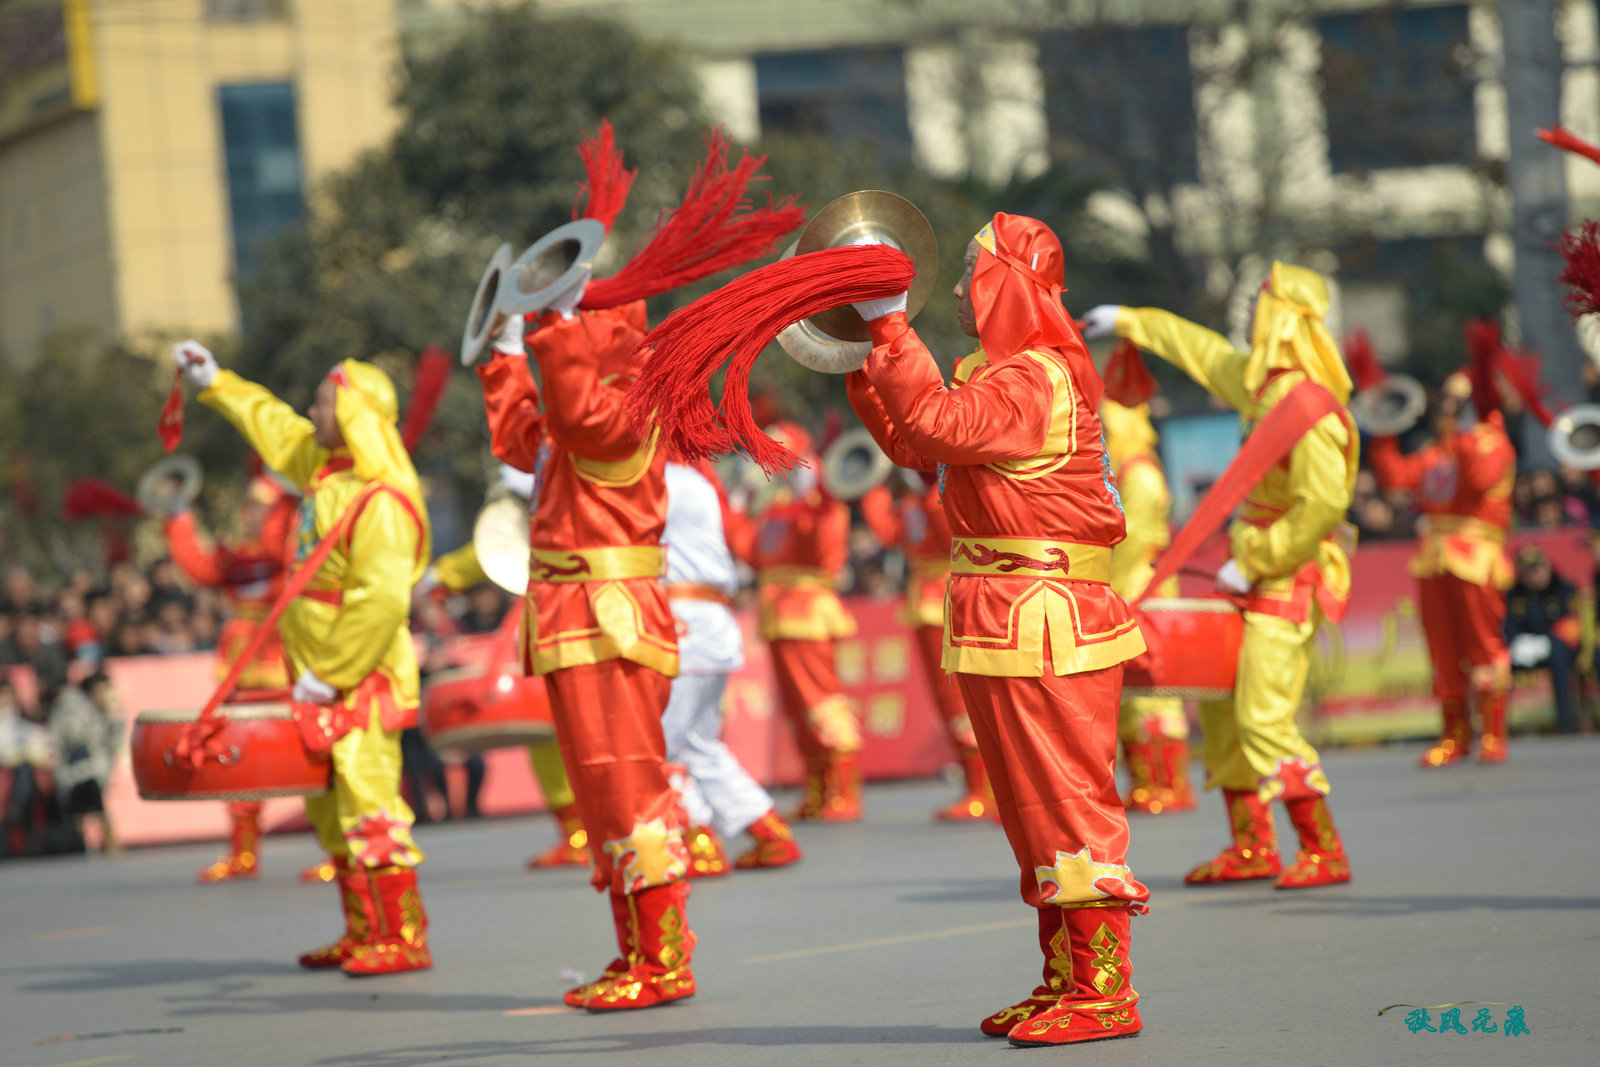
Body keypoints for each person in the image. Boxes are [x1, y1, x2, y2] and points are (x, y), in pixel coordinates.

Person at [847, 215, 1149, 1046]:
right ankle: (1068, 977)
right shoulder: (1001, 374)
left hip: (1046, 617)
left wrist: (889, 327)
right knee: (1027, 805)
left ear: (1007, 282)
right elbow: (920, 444)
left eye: (971, 271)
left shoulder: (1037, 380)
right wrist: (865, 360)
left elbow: (939, 426)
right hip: (1006, 611)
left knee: (1064, 797)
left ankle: (1105, 991)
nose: (957, 288)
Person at [1083, 261, 1356, 892]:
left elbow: (1324, 504)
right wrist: (1130, 321)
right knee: (1229, 710)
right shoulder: (1264, 391)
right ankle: (1252, 845)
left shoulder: (1310, 407)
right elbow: (1201, 351)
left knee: (1263, 715)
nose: (1251, 309)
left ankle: (1323, 848)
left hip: (1288, 577)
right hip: (1254, 573)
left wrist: (1257, 557)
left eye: (1261, 299)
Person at [174, 338, 434, 976]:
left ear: (353, 413)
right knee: (327, 803)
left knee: (369, 798)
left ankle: (402, 936)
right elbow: (274, 425)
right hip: (314, 678)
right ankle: (361, 929)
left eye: (324, 399)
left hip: (358, 680)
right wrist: (216, 382)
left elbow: (378, 603)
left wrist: (330, 675)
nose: (312, 409)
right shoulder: (322, 472)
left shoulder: (382, 500)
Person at [477, 287, 696, 1011]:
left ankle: (664, 959)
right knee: (598, 790)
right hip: (573, 616)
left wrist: (555, 329)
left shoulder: (632, 404)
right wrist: (508, 352)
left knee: (628, 784)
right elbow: (523, 438)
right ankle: (636, 946)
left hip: (611, 619)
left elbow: (572, 412)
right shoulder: (583, 417)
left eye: (576, 319)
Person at [662, 459, 802, 872]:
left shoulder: (658, 480)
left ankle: (697, 842)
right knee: (699, 744)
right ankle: (768, 831)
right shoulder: (701, 481)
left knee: (660, 745)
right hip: (710, 622)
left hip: (679, 622)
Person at [1367, 375, 1515, 765]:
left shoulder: (1490, 442)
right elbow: (1397, 478)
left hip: (1475, 556)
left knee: (1482, 645)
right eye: (1444, 404)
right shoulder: (1437, 451)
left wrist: (1466, 432)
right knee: (1443, 651)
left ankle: (1493, 735)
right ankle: (1455, 736)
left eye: (1454, 404)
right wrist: (1384, 428)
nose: (1445, 411)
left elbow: (1481, 479)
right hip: (1435, 558)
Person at [725, 423, 864, 822]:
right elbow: (751, 551)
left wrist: (816, 491)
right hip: (778, 614)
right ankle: (818, 788)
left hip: (808, 612)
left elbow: (825, 545)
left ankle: (844, 792)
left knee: (821, 700)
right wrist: (737, 503)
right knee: (797, 709)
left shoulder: (821, 503)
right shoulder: (777, 506)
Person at [421, 529, 585, 865]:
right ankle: (581, 835)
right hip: (573, 621)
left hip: (583, 620)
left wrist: (442, 575)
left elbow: (499, 540)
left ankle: (618, 834)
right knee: (550, 739)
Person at [165, 472, 298, 880]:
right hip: (240, 672)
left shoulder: (290, 547)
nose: (251, 513)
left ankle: (340, 852)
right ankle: (243, 853)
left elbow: (281, 551)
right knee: (238, 759)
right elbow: (201, 569)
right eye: (251, 505)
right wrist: (179, 519)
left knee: (309, 757)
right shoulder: (239, 554)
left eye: (261, 506)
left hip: (286, 666)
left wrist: (286, 502)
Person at [861, 472, 996, 821]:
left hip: (948, 594)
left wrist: (932, 491)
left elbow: (951, 532)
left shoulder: (942, 496)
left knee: (959, 696)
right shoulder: (913, 501)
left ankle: (984, 789)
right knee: (944, 698)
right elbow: (892, 534)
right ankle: (973, 787)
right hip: (924, 596)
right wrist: (872, 493)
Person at [1101, 395, 1196, 814]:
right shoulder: (1125, 471)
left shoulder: (1138, 475)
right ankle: (1144, 780)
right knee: (1132, 689)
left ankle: (1168, 783)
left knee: (1154, 688)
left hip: (1141, 585)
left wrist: (1108, 590)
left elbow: (1132, 538)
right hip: (1131, 583)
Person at [1504, 546, 1582, 735]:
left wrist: (1546, 642)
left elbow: (1569, 626)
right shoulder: (1514, 594)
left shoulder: (1563, 588)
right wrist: (1518, 642)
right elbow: (1508, 625)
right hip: (1526, 648)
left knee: (1558, 658)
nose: (1536, 575)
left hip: (1559, 646)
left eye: (1539, 568)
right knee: (1500, 663)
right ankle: (1497, 727)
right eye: (1529, 571)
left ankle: (1565, 722)